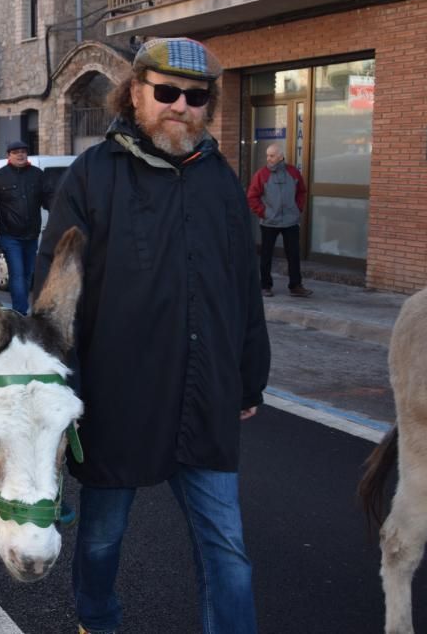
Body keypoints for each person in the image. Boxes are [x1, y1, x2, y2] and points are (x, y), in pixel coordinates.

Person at [33, 37, 271, 634]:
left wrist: (250, 377)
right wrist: (64, 391)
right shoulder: (92, 175)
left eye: (195, 97)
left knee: (228, 550)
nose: (180, 106)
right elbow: (55, 295)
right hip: (119, 397)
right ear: (134, 93)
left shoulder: (220, 181)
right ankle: (97, 618)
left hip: (204, 396)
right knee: (102, 538)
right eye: (165, 92)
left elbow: (245, 288)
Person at [0, 140, 54, 314]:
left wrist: (61, 214)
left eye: (23, 151)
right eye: (15, 152)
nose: (20, 154)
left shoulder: (37, 175)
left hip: (32, 234)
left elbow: (50, 199)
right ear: (9, 155)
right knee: (18, 274)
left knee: (28, 274)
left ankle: (20, 309)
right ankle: (21, 312)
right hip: (9, 235)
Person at [247, 144, 312, 298]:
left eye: (272, 155)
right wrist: (264, 213)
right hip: (270, 222)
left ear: (281, 156)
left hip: (290, 221)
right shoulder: (261, 174)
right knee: (266, 256)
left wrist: (297, 209)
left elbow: (302, 192)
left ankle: (296, 286)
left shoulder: (293, 173)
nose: (268, 158)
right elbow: (252, 197)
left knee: (293, 255)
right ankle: (265, 286)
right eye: (267, 155)